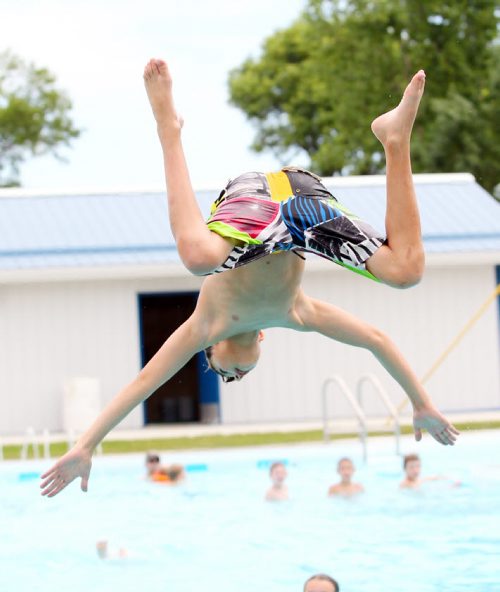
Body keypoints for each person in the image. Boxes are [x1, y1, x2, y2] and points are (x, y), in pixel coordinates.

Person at [40, 58, 459, 499]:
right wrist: (421, 403)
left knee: (200, 258)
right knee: (405, 270)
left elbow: (143, 384)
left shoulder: (206, 325)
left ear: (213, 351)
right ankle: (394, 138)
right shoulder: (297, 312)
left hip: (253, 206)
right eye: (239, 378)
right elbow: (376, 339)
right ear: (262, 341)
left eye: (226, 374)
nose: (234, 375)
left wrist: (86, 445)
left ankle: (169, 128)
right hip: (303, 206)